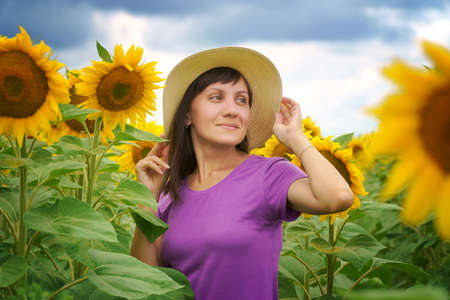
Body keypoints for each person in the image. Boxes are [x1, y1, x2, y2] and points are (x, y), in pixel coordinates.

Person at [130, 47, 353, 300]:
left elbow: (337, 197)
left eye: (241, 100)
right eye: (216, 97)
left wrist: (296, 138)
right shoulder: (171, 197)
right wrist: (147, 199)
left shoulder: (268, 175)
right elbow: (141, 282)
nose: (232, 110)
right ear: (188, 115)